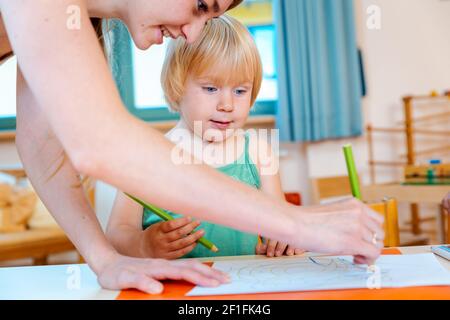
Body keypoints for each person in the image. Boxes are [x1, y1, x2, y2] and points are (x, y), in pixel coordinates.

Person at [0, 0, 384, 294]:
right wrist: (300, 223)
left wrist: (105, 261)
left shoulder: (72, 20)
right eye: (201, 5)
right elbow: (98, 142)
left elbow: (43, 152)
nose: (194, 32)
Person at [106, 15, 304, 259]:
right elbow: (116, 234)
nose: (227, 104)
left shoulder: (258, 152)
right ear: (177, 84)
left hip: (242, 289)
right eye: (211, 88)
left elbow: (281, 224)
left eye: (240, 91)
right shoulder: (146, 157)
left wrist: (285, 239)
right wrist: (144, 245)